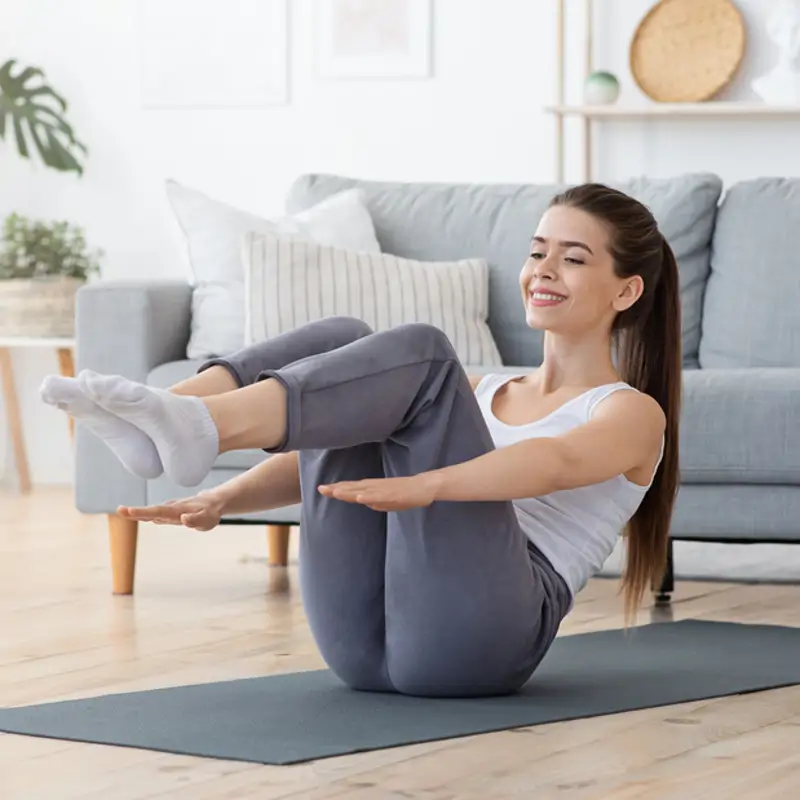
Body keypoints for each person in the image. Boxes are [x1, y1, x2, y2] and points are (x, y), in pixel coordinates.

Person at [40, 183, 680, 699]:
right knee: (341, 340)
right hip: (361, 644)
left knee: (427, 355)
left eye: (573, 258)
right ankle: (171, 416)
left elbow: (551, 463)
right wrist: (220, 499)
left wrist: (428, 485)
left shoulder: (630, 413)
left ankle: (195, 424)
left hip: (482, 641)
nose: (544, 270)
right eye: (538, 251)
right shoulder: (480, 392)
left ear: (626, 290)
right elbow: (321, 459)